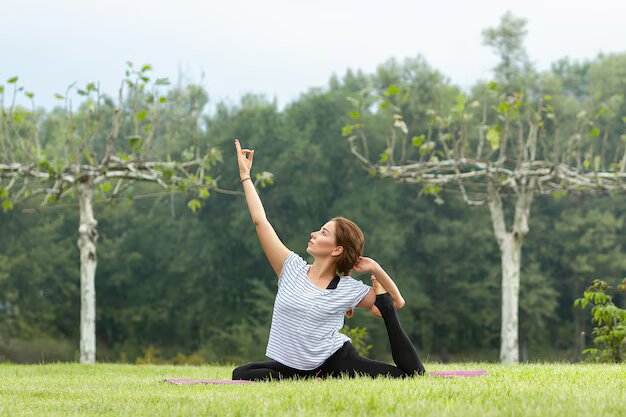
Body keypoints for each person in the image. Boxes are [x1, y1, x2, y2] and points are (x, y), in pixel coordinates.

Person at [231, 139, 426, 381]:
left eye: (323, 233)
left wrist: (376, 268)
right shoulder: (290, 267)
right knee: (241, 373)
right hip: (293, 365)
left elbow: (397, 302)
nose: (314, 234)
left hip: (337, 360)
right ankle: (308, 378)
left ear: (336, 250)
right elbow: (261, 221)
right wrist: (245, 177)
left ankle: (318, 376)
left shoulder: (347, 288)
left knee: (410, 374)